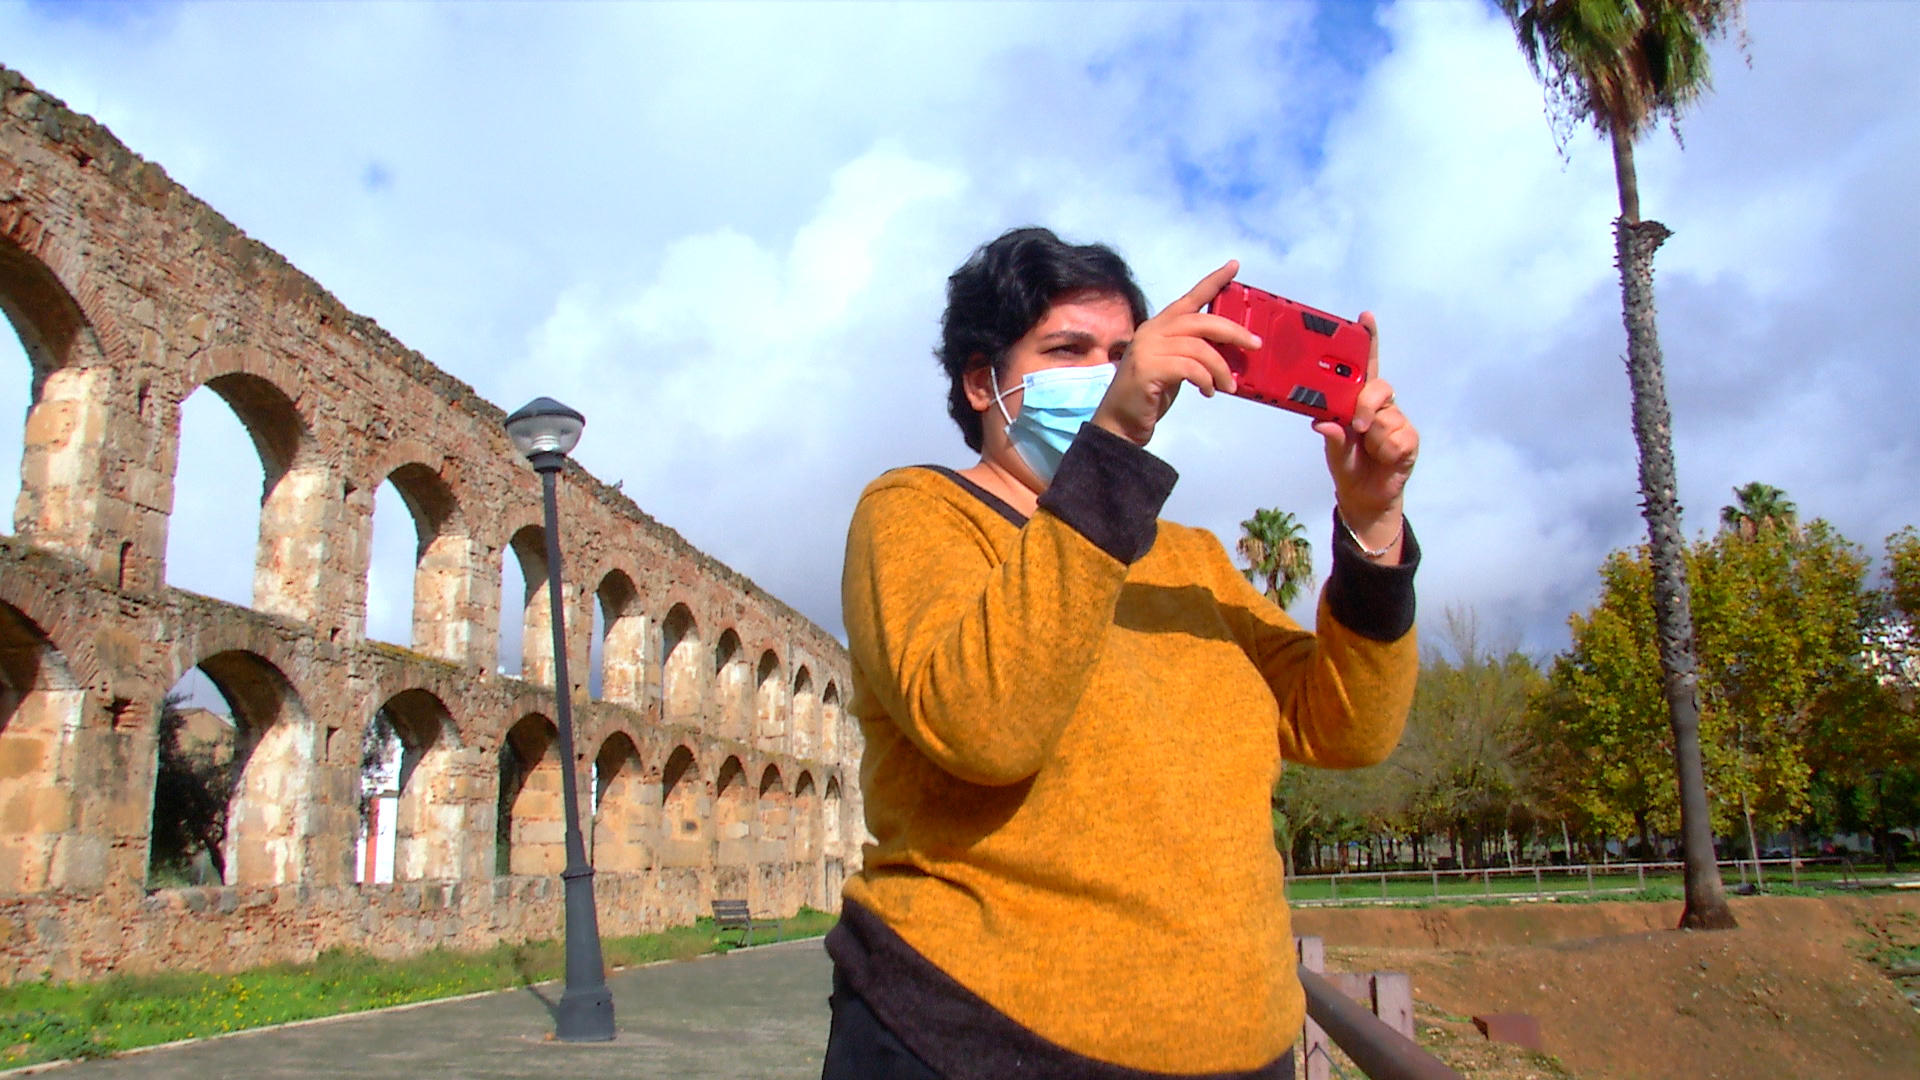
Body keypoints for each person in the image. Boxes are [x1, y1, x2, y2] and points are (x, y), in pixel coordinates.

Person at [822, 227, 1420, 1080]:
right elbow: (988, 726)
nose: (1107, 374)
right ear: (981, 380)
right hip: (968, 1043)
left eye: (1123, 354)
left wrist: (1371, 524)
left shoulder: (1194, 559)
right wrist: (1107, 448)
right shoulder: (915, 512)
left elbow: (1349, 725)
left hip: (1245, 1053)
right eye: (1069, 350)